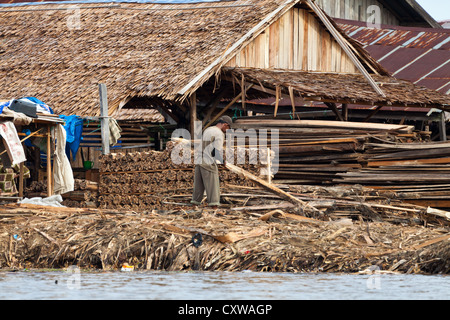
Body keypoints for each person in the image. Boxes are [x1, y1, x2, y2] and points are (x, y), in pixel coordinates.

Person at [191, 115, 232, 207]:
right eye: (228, 128)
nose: (227, 130)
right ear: (225, 124)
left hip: (199, 161)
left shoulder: (208, 129)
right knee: (213, 187)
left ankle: (194, 205)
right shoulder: (219, 134)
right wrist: (222, 161)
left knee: (198, 186)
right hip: (208, 162)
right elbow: (215, 151)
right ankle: (214, 208)